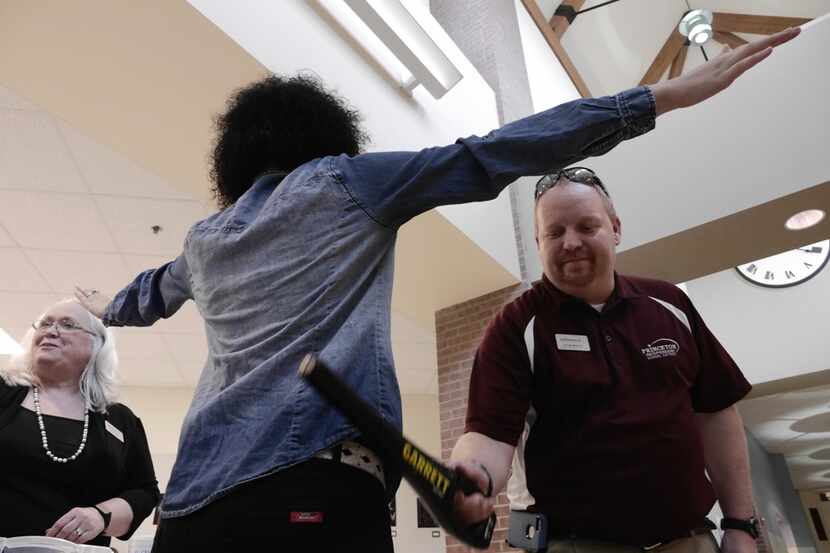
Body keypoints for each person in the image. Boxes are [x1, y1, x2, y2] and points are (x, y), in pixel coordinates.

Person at [75, 28, 798, 552]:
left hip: (194, 507)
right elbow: (494, 153)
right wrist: (656, 99)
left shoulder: (206, 239)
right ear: (324, 138)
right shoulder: (343, 181)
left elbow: (144, 294)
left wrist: (93, 309)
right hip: (313, 496)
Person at [450, 165, 761, 553]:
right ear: (538, 242)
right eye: (554, 232)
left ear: (615, 228)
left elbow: (716, 414)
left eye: (586, 226)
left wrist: (740, 523)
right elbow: (489, 436)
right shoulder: (516, 325)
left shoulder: (670, 304)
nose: (571, 242)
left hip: (689, 539)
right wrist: (472, 473)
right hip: (571, 543)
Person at [0, 299, 160, 547]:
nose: (51, 331)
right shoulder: (4, 393)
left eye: (67, 324)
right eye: (45, 323)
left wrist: (100, 516)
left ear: (97, 344)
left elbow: (143, 492)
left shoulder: (119, 420)